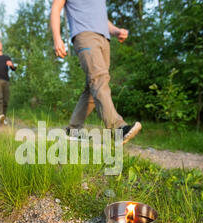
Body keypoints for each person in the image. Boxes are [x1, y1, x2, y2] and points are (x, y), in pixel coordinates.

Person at [50, 0, 142, 145]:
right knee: (99, 79)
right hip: (85, 36)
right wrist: (57, 39)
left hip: (104, 39)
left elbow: (102, 19)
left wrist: (116, 30)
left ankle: (73, 129)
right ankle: (118, 128)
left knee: (93, 86)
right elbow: (56, 7)